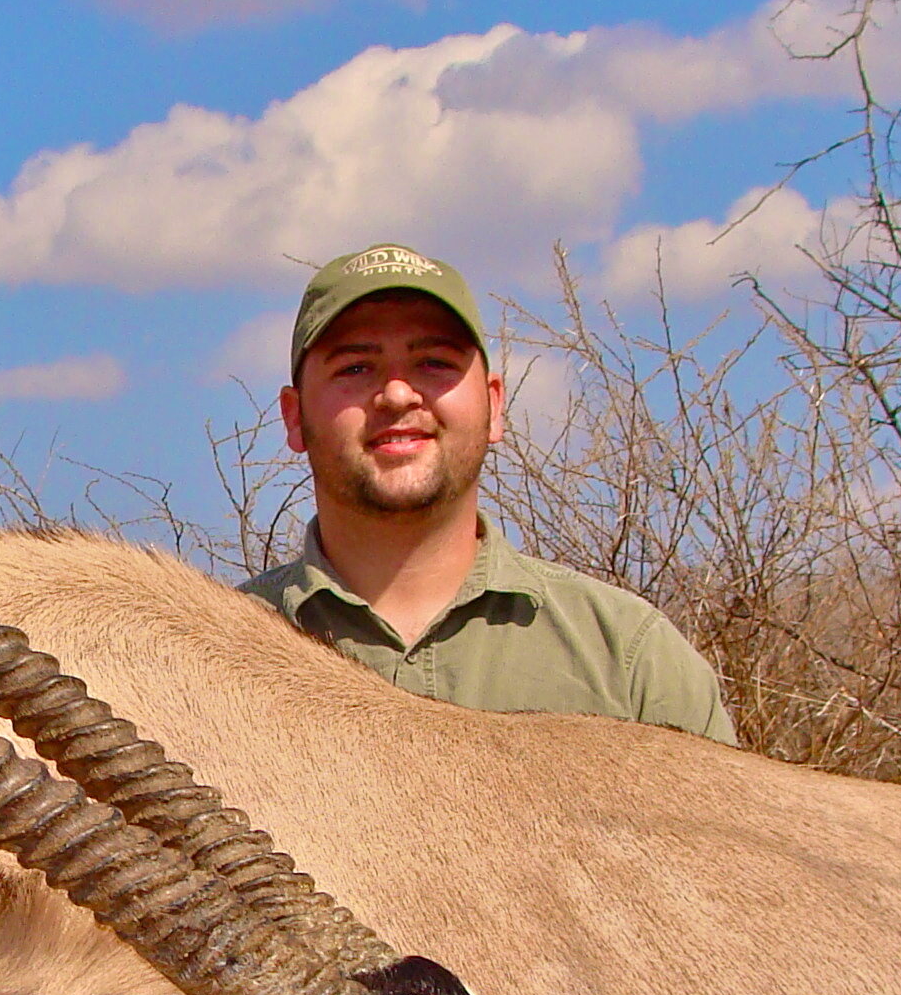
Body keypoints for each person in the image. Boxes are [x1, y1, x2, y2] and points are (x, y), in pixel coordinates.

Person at [238, 242, 737, 741]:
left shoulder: (631, 660)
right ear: (293, 416)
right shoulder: (209, 656)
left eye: (434, 362)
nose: (396, 394)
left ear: (495, 406)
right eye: (353, 368)